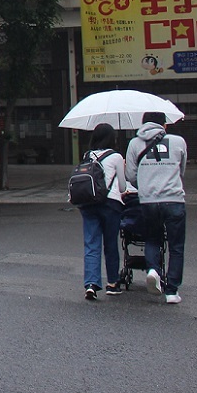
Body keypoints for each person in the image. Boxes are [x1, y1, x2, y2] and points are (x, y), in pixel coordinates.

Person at [126, 110, 188, 304]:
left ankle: (153, 270)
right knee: (176, 246)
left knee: (153, 239)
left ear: (143, 124)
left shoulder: (134, 143)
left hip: (148, 201)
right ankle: (172, 291)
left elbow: (130, 175)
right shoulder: (178, 141)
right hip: (174, 199)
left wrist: (145, 183)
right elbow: (182, 169)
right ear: (164, 125)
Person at [78, 123, 125, 301]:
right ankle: (112, 283)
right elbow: (122, 186)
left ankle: (90, 284)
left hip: (88, 203)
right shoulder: (117, 157)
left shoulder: (87, 155)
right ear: (112, 138)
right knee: (110, 243)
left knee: (91, 243)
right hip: (110, 204)